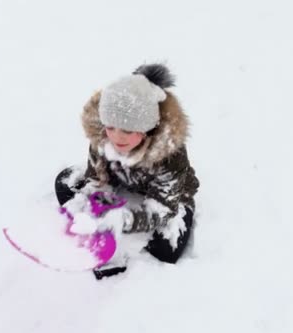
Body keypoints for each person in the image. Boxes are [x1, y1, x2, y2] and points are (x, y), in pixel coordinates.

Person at [55, 64, 199, 279]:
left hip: (169, 197)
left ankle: (127, 252)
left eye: (128, 130)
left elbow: (162, 210)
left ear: (148, 129)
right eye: (111, 127)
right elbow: (97, 178)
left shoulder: (169, 154)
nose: (117, 137)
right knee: (65, 184)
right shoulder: (102, 138)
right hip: (123, 180)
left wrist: (124, 221)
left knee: (166, 250)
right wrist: (91, 202)